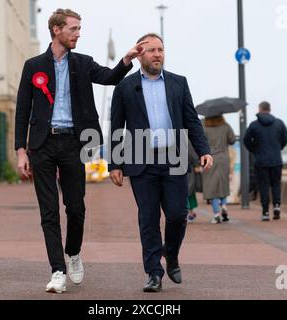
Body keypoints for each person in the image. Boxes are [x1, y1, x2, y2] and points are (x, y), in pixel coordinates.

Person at [15, 8, 147, 294]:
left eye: (79, 28)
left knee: (75, 207)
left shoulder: (83, 63)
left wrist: (126, 59)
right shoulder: (33, 65)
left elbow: (111, 77)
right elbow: (23, 110)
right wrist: (20, 150)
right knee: (48, 211)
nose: (78, 33)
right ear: (56, 30)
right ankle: (57, 270)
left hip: (75, 143)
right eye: (73, 29)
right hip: (42, 144)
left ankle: (73, 252)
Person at [108, 33, 213, 293]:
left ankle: (172, 254)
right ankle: (154, 272)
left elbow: (191, 120)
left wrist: (204, 149)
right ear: (140, 54)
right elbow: (116, 127)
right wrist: (114, 163)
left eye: (161, 49)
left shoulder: (179, 83)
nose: (158, 54)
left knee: (178, 214)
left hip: (174, 158)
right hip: (140, 161)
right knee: (149, 218)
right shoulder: (125, 86)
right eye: (152, 50)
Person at [244, 101, 287, 221]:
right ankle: (277, 206)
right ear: (269, 109)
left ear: (260, 109)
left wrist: (255, 149)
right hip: (276, 160)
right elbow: (286, 137)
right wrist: (279, 147)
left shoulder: (254, 125)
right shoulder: (279, 123)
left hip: (260, 161)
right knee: (276, 184)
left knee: (263, 186)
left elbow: (246, 140)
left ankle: (265, 212)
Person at [201, 116, 236, 224]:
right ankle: (224, 206)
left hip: (210, 158)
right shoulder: (225, 126)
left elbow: (199, 141)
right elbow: (232, 140)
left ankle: (216, 214)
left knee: (211, 187)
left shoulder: (204, 127)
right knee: (223, 184)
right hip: (224, 158)